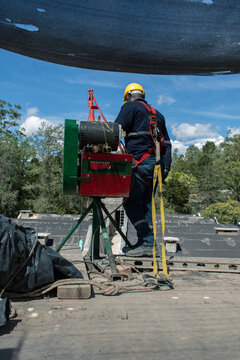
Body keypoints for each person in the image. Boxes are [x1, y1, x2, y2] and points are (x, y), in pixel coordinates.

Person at [115, 83, 172, 256]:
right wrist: (166, 168)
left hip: (141, 163)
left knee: (131, 202)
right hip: (157, 166)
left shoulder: (129, 107)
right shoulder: (159, 115)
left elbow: (114, 131)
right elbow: (168, 144)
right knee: (146, 204)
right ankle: (147, 243)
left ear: (127, 97)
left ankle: (147, 240)